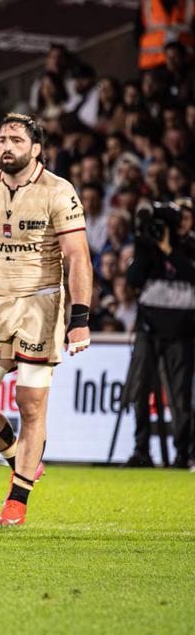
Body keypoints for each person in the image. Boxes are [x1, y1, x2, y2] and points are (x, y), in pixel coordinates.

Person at [0, 114, 93, 526]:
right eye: (1, 139)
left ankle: (16, 500)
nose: (6, 146)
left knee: (30, 404)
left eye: (16, 139)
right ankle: (22, 459)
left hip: (41, 304)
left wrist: (80, 318)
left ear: (36, 149)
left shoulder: (58, 190)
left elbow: (77, 258)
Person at [122, 200, 195, 468]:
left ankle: (182, 454)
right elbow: (132, 280)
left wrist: (169, 250)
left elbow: (190, 273)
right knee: (141, 391)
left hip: (181, 332)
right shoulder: (147, 247)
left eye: (186, 219)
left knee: (180, 396)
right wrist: (147, 246)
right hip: (148, 330)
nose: (182, 224)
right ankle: (141, 450)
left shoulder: (190, 247)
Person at [135, 0, 193, 71]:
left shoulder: (189, 3)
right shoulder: (147, 4)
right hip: (153, 64)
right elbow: (137, 33)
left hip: (183, 62)